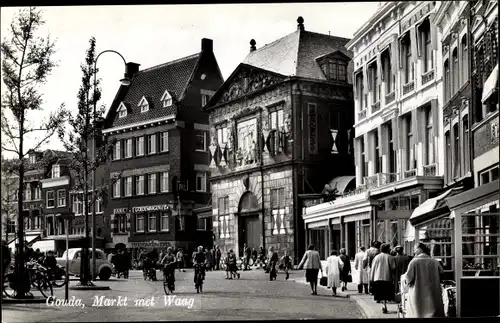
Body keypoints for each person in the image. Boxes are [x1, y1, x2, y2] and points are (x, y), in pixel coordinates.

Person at [404, 243, 445, 318]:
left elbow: (408, 277)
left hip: (418, 291)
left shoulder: (414, 262)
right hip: (433, 290)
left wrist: (406, 283)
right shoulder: (434, 261)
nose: (414, 252)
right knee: (433, 308)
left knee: (419, 311)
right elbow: (442, 272)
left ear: (420, 249)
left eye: (415, 249)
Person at [371, 243, 396, 314]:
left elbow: (373, 268)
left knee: (380, 293)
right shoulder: (390, 257)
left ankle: (384, 305)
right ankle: (384, 305)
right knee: (386, 294)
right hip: (387, 277)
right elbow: (393, 268)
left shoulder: (376, 257)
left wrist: (371, 278)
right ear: (388, 249)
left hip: (377, 277)